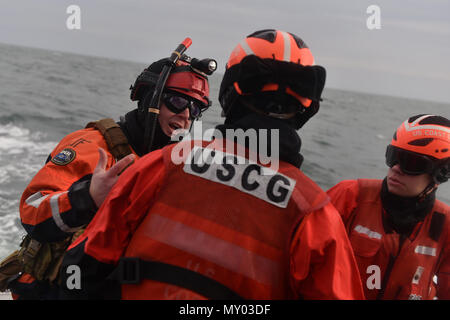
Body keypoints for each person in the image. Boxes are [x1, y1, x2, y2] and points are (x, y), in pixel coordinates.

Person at [59, 29, 364, 300]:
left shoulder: (162, 165)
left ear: (229, 93)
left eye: (193, 108)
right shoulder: (314, 211)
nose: (186, 116)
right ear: (307, 109)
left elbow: (84, 265)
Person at [1, 55, 213, 299]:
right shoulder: (93, 146)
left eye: (195, 108)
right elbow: (32, 210)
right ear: (148, 99)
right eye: (177, 101)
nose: (186, 114)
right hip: (48, 291)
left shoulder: (171, 167)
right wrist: (87, 196)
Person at [327, 114, 450, 300]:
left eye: (411, 162)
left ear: (440, 174)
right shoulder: (349, 197)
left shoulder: (445, 225)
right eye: (393, 156)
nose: (396, 168)